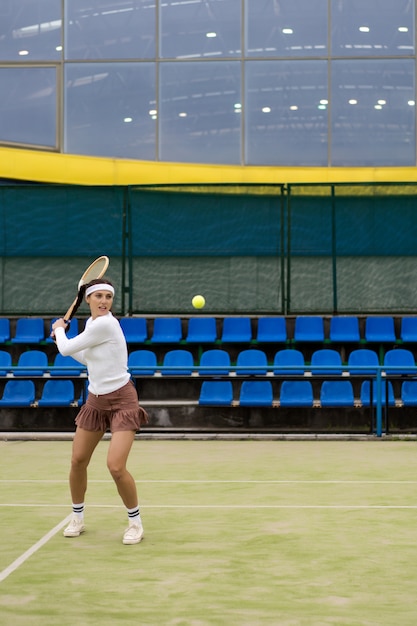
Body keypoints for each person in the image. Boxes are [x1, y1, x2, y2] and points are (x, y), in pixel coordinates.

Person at [51, 278, 148, 545]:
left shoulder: (106, 323)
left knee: (116, 467)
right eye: (99, 297)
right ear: (88, 300)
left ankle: (135, 523)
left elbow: (66, 348)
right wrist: (65, 340)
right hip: (95, 400)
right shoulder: (92, 324)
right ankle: (77, 517)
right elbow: (85, 357)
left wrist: (60, 331)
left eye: (108, 297)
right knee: (77, 461)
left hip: (123, 401)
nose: (104, 301)